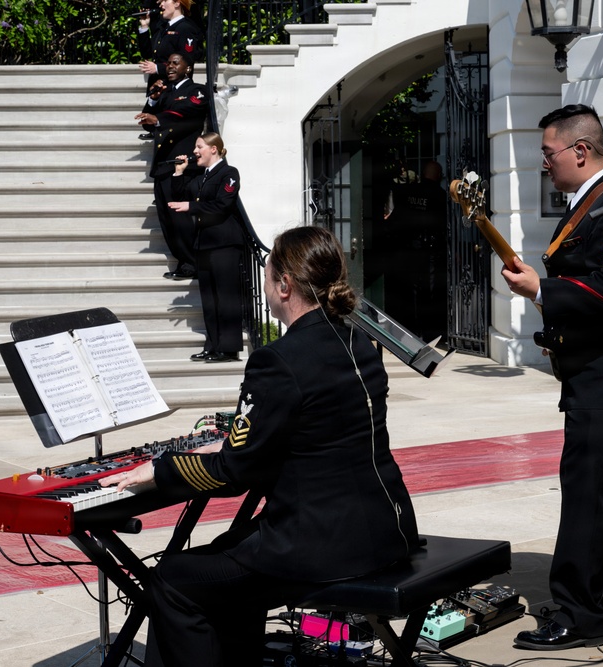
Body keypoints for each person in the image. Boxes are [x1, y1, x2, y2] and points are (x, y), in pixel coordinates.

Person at [100, 226, 421, 667]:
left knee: (173, 581)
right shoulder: (358, 341)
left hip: (320, 547)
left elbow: (236, 473)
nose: (265, 284)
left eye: (267, 275)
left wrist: (161, 470)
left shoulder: (278, 360)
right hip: (385, 530)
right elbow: (318, 434)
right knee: (230, 551)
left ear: (284, 285)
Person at [501, 105, 603, 650]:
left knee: (586, 497)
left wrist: (542, 291)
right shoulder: (590, 204)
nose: (544, 163)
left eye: (549, 153)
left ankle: (578, 613)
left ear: (580, 151)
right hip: (598, 376)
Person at [169, 132, 244, 362]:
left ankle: (228, 348)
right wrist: (179, 173)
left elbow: (222, 205)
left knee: (226, 297)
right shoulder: (202, 177)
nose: (194, 151)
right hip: (205, 244)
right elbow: (181, 195)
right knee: (210, 300)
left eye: (199, 146)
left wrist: (191, 206)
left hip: (224, 244)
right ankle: (212, 345)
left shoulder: (228, 173)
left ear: (214, 148)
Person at [135, 52, 207, 281]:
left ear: (189, 68)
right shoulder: (166, 91)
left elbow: (188, 111)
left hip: (182, 164)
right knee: (167, 219)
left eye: (176, 63)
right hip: (163, 164)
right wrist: (153, 99)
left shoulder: (198, 90)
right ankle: (183, 261)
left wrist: (159, 119)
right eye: (168, 63)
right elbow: (148, 123)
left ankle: (192, 263)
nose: (170, 67)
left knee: (181, 219)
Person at [385, 160, 448, 341]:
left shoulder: (407, 192)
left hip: (407, 249)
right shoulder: (440, 194)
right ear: (438, 175)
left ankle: (408, 331)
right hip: (429, 251)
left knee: (408, 291)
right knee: (428, 293)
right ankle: (428, 332)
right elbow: (444, 225)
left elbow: (395, 220)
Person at [136, 0, 203, 139]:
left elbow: (187, 59)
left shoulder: (186, 28)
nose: (160, 5)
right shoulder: (163, 27)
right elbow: (148, 53)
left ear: (177, 3)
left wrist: (158, 68)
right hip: (159, 84)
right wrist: (144, 27)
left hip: (173, 86)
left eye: (165, 1)